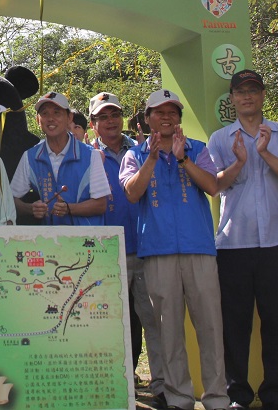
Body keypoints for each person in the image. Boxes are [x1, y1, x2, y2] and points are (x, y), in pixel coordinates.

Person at [121, 89, 228, 410]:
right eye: (159, 112)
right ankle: (180, 397)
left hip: (199, 249)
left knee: (210, 325)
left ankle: (217, 396)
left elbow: (212, 187)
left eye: (172, 112)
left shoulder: (197, 149)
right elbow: (131, 193)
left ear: (179, 118)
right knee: (168, 329)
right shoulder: (135, 155)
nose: (166, 117)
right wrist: (153, 158)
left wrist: (183, 159)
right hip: (157, 251)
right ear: (147, 117)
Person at [208, 70, 278, 410]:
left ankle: (277, 394)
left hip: (277, 242)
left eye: (253, 90)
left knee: (277, 321)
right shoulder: (220, 138)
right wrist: (240, 162)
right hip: (234, 243)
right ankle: (237, 394)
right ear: (232, 98)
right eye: (240, 91)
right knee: (235, 322)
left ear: (263, 95)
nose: (247, 97)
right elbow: (214, 185)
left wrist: (265, 154)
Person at [89, 91, 166, 408]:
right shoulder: (86, 156)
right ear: (93, 123)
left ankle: (162, 384)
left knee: (154, 321)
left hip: (144, 249)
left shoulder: (142, 151)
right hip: (106, 255)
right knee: (107, 325)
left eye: (115, 115)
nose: (110, 122)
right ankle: (114, 382)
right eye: (103, 117)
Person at [10, 91, 109, 226]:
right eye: (44, 113)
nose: (50, 118)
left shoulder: (91, 155)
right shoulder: (30, 157)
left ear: (69, 117)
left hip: (86, 242)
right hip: (50, 242)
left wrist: (70, 208)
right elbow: (11, 200)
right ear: (38, 120)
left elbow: (101, 204)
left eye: (57, 112)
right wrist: (30, 209)